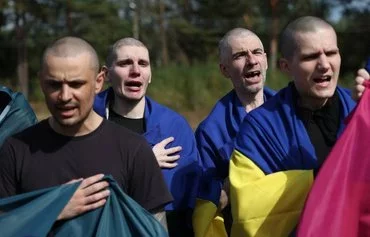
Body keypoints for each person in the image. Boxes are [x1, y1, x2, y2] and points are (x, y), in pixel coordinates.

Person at [0, 37, 172, 233]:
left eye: (76, 84)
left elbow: (155, 230)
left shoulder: (134, 150)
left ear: (99, 81)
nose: (65, 96)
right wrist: (53, 208)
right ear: (41, 82)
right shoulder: (16, 149)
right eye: (54, 85)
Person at [229, 16, 356, 237]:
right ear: (286, 66)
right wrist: (322, 179)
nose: (324, 64)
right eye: (311, 56)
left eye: (331, 53)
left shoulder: (359, 110)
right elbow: (248, 208)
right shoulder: (261, 127)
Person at [93, 37, 201, 236]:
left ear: (150, 75)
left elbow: (188, 200)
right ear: (106, 74)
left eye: (143, 63)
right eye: (125, 63)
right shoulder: (87, 120)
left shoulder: (174, 127)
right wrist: (144, 161)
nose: (136, 70)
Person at [193, 28, 275, 237]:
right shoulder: (210, 131)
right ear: (225, 70)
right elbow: (207, 204)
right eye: (240, 55)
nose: (251, 60)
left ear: (265, 60)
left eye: (257, 52)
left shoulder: (291, 109)